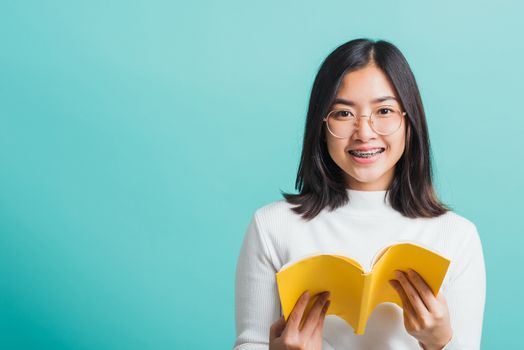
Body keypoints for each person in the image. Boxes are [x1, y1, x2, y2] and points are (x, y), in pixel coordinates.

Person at [233, 38, 486, 350]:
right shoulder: (271, 225)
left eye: (384, 110)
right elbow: (251, 343)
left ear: (408, 120)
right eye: (343, 113)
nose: (364, 133)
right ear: (321, 123)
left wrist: (439, 342)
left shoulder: (457, 236)